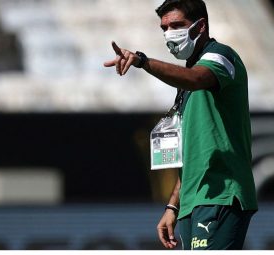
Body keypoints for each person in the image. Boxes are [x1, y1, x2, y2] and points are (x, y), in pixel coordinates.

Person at [103, 0, 258, 250]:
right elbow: (193, 153)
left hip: (221, 194)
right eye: (164, 27)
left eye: (177, 25)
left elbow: (196, 79)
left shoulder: (221, 56)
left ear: (200, 26)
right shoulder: (186, 83)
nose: (169, 34)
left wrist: (143, 61)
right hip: (192, 201)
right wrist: (173, 205)